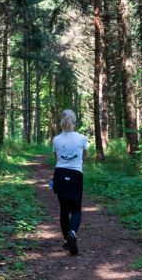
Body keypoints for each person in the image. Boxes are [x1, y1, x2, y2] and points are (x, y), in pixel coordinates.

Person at [52, 109, 87, 255]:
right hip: (76, 175)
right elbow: (84, 157)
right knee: (76, 209)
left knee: (64, 210)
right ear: (74, 121)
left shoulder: (56, 139)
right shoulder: (82, 138)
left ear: (61, 121)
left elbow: (57, 157)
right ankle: (72, 232)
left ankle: (67, 239)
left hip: (60, 175)